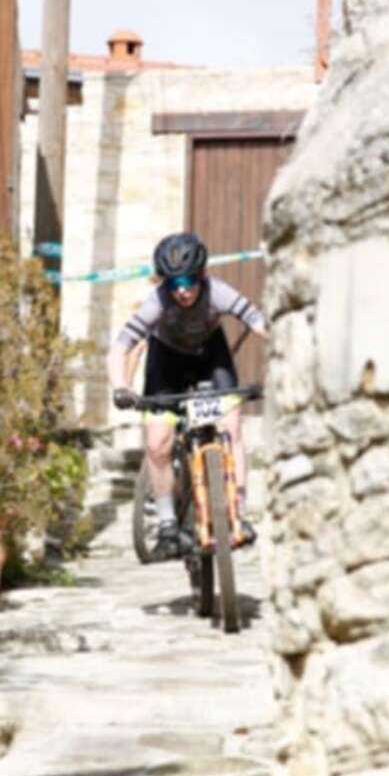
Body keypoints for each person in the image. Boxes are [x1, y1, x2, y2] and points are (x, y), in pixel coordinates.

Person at [107, 231, 267, 561]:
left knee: (232, 428)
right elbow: (120, 348)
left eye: (189, 281)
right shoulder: (157, 302)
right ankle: (168, 525)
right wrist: (121, 386)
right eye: (173, 283)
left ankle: (237, 512)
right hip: (167, 362)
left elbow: (258, 322)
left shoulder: (218, 292)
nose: (182, 290)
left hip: (210, 357)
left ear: (202, 275)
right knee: (157, 444)